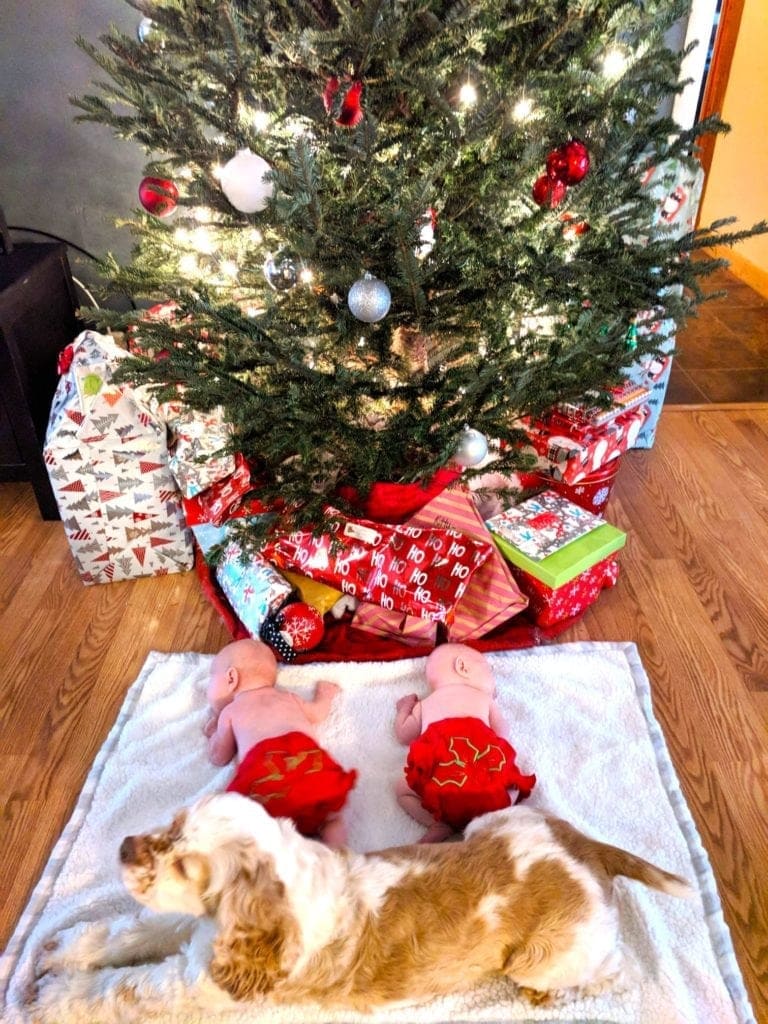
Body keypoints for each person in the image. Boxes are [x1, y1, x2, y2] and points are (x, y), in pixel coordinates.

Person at [204, 638, 356, 848]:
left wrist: (213, 733)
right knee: (331, 819)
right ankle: (338, 857)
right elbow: (318, 713)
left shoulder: (230, 712)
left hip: (267, 777)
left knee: (243, 827)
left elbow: (219, 756)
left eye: (211, 678)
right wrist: (325, 696)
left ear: (231, 677)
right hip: (310, 768)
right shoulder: (288, 698)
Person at [394, 642, 536, 843]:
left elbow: (403, 735)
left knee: (401, 790)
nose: (493, 682)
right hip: (486, 783)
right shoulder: (482, 698)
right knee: (516, 783)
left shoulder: (426, 703)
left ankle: (438, 824)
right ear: (463, 667)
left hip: (440, 785)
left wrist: (405, 708)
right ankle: (497, 818)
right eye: (489, 671)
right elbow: (502, 734)